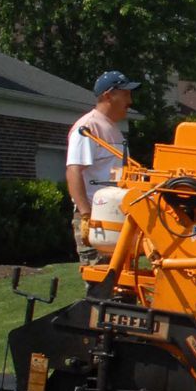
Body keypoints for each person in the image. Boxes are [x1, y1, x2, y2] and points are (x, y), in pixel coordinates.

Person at [66, 71, 139, 264]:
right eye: (125, 94)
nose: (130, 101)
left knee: (120, 284)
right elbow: (73, 171)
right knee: (99, 282)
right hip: (97, 219)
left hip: (115, 218)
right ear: (108, 95)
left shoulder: (113, 129)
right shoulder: (88, 127)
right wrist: (85, 216)